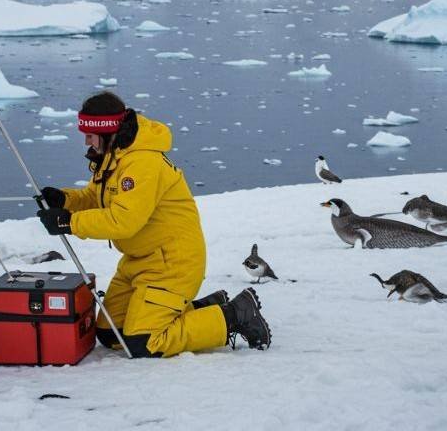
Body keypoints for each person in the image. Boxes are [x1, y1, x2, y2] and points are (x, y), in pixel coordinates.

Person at [35, 91, 271, 358]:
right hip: (139, 261)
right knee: (110, 332)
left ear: (109, 131)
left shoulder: (142, 162)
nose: (86, 140)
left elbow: (124, 220)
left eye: (90, 133)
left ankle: (234, 315)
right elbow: (95, 197)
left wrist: (69, 223)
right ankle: (204, 308)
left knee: (143, 341)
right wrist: (65, 200)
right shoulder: (115, 156)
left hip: (171, 264)